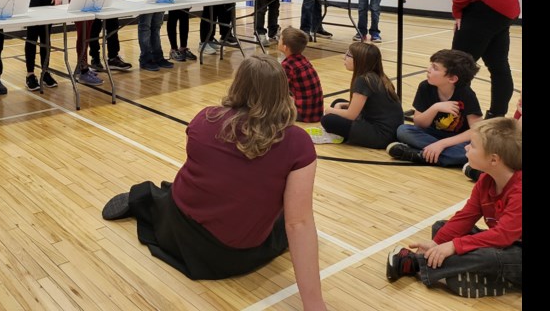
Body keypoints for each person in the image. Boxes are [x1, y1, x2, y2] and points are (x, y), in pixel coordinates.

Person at [100, 56, 328, 309]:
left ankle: (141, 197)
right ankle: (148, 197)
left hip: (181, 233)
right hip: (233, 255)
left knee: (169, 192)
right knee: (285, 222)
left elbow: (209, 170)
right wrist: (314, 303)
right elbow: (298, 223)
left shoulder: (204, 118)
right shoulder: (297, 142)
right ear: (282, 91)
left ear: (238, 84)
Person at [386, 117, 522, 299]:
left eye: (472, 146)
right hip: (506, 245)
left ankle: (416, 264)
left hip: (514, 253)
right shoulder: (486, 180)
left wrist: (453, 246)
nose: (466, 148)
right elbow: (466, 216)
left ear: (494, 160)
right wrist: (438, 243)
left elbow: (503, 235)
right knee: (441, 228)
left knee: (487, 257)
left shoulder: (519, 190)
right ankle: (480, 277)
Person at [387, 49, 483, 167]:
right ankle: (439, 156)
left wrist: (442, 144)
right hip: (431, 134)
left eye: (435, 68)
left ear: (452, 79)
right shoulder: (425, 87)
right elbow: (419, 123)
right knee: (403, 130)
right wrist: (435, 108)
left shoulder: (466, 94)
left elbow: (477, 130)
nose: (428, 69)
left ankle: (419, 155)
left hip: (457, 140)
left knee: (467, 151)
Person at [320, 41, 403, 148]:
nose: (344, 57)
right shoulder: (376, 76)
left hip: (381, 135)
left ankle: (348, 134)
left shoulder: (363, 80)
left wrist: (330, 110)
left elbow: (351, 115)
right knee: (338, 102)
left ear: (360, 61)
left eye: (348, 55)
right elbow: (371, 105)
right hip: (390, 130)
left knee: (328, 119)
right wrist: (340, 107)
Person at [279, 27, 324, 123]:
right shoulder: (303, 60)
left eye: (280, 39)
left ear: (285, 47)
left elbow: (278, 90)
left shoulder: (287, 65)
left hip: (302, 113)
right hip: (317, 111)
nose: (278, 40)